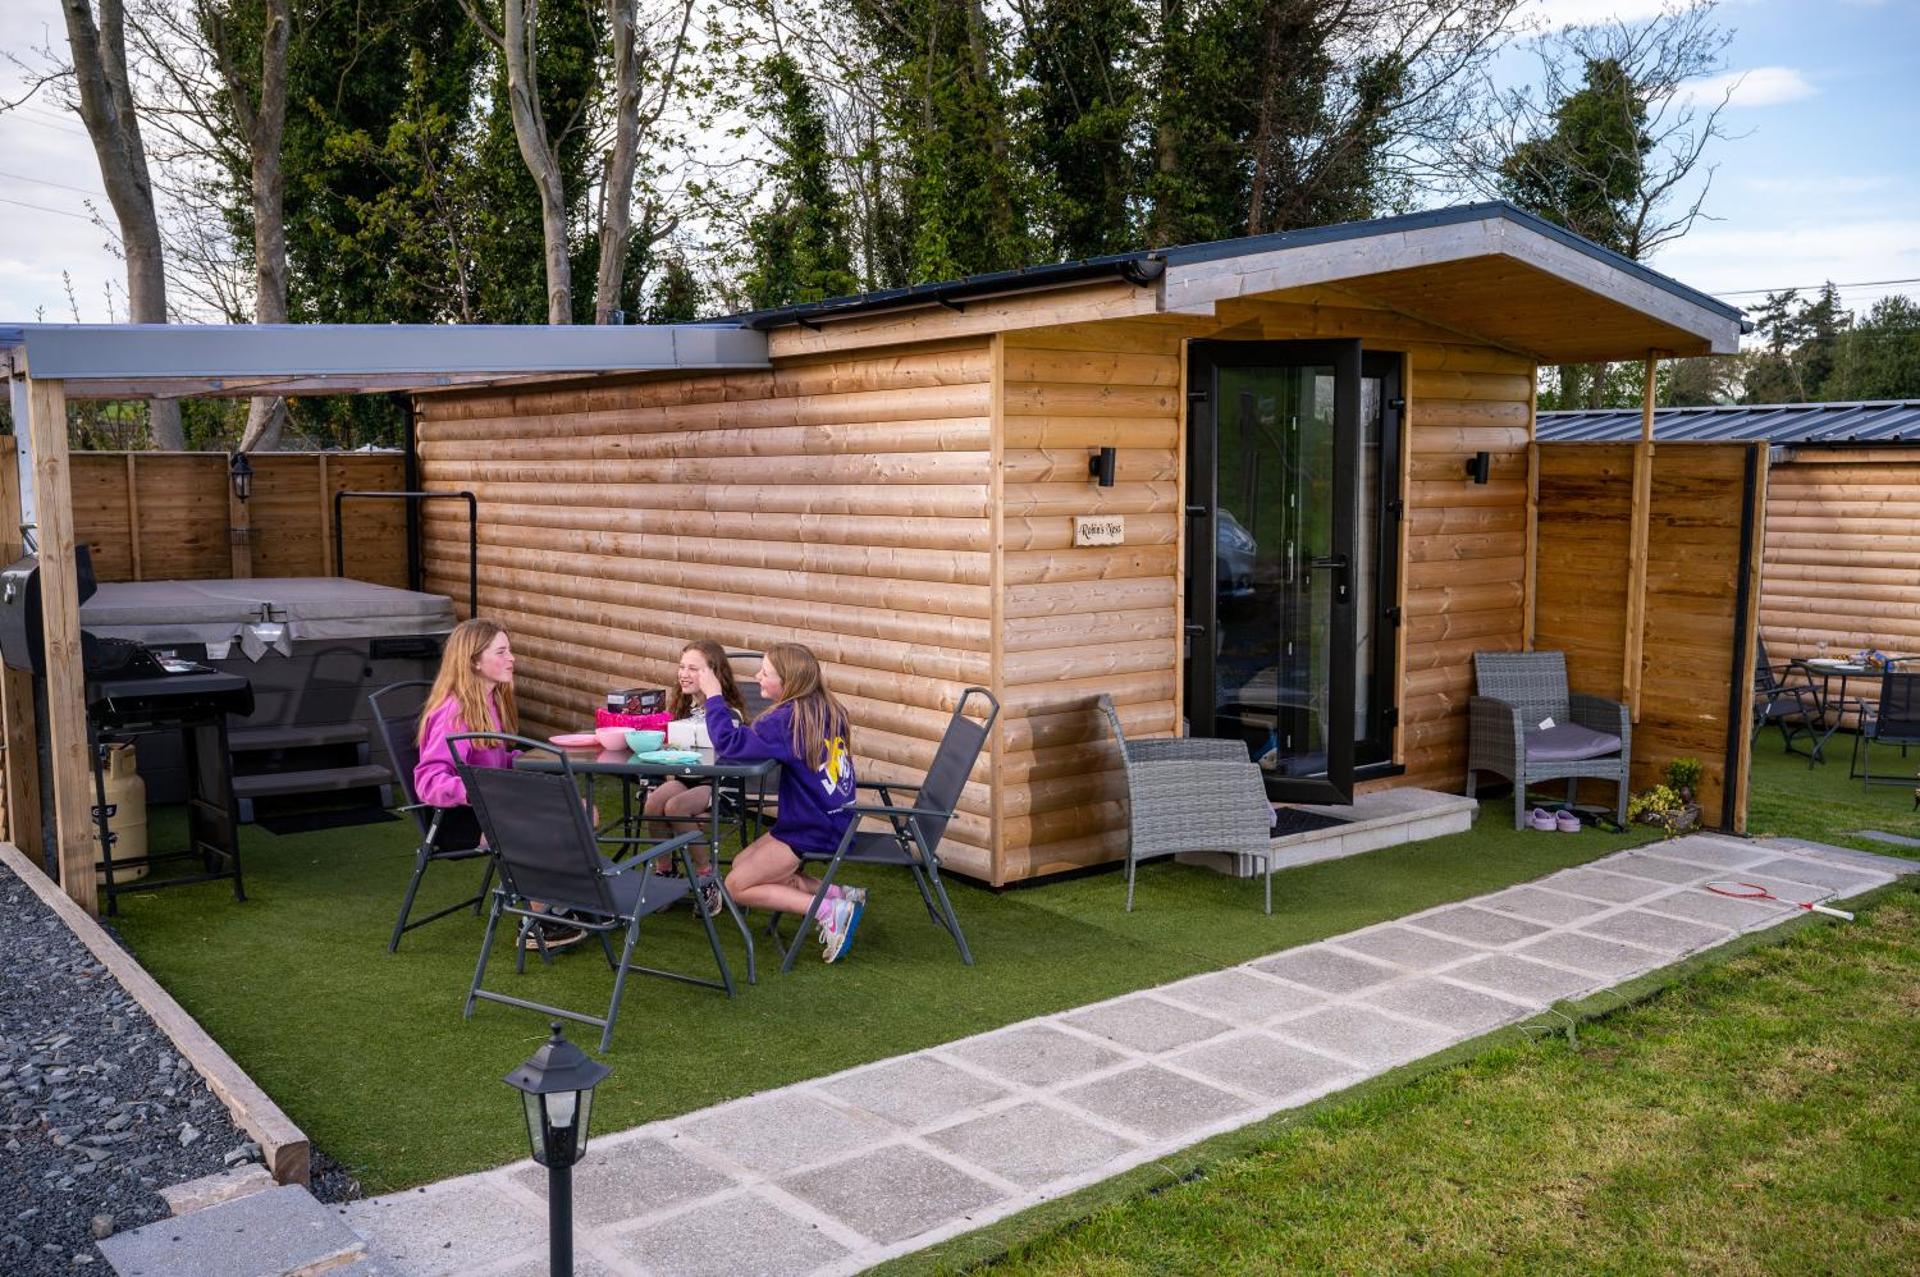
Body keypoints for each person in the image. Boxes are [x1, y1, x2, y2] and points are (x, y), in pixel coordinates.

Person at [414, 618, 584, 951]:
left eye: (510, 650)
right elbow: (428, 780)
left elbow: (496, 760)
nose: (512, 659)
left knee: (581, 809)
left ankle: (563, 901)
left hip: (493, 804)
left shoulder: (489, 701)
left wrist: (529, 759)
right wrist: (480, 790)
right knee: (551, 822)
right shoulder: (454, 712)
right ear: (474, 661)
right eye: (502, 651)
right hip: (458, 819)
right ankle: (540, 920)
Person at [699, 643, 866, 962]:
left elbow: (729, 745)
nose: (758, 676)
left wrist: (713, 696)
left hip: (811, 827)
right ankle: (835, 892)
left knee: (735, 886)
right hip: (832, 819)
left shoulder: (785, 720)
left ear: (787, 682)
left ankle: (830, 911)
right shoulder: (825, 707)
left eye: (766, 672)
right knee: (741, 865)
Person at [644, 640, 750, 917]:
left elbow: (727, 755)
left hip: (720, 785)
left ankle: (706, 878)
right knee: (654, 803)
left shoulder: (729, 713)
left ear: (714, 673)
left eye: (693, 668)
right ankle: (665, 872)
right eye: (681, 667)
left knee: (676, 807)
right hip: (688, 778)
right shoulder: (681, 708)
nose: (684, 674)